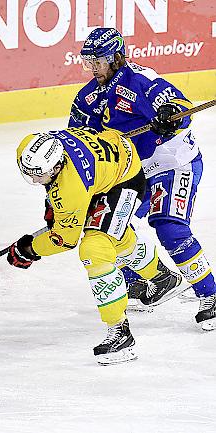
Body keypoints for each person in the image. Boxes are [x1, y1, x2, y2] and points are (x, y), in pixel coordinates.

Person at [69, 27, 215, 330]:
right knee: (105, 225)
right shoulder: (87, 97)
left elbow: (183, 109)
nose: (92, 68)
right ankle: (150, 279)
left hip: (172, 163)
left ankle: (211, 294)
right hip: (132, 172)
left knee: (169, 227)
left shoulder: (140, 80)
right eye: (89, 62)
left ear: (115, 57)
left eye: (97, 62)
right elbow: (78, 138)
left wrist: (168, 118)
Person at [7, 127, 173, 365]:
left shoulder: (71, 189)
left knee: (95, 248)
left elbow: (64, 240)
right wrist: (54, 205)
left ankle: (121, 333)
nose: (33, 179)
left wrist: (30, 249)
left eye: (39, 176)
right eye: (29, 173)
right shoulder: (31, 146)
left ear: (56, 167)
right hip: (108, 165)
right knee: (113, 232)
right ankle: (161, 278)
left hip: (126, 180)